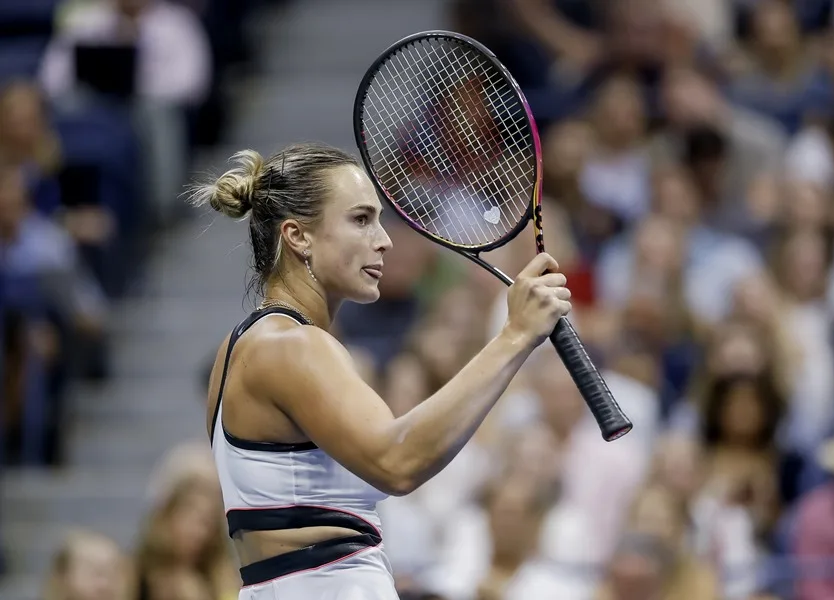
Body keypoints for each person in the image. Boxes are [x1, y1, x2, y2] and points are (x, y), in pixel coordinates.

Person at [190, 142, 573, 599]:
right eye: (361, 219)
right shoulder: (292, 346)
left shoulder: (247, 345)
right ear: (298, 236)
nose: (385, 239)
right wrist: (513, 336)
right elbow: (397, 463)